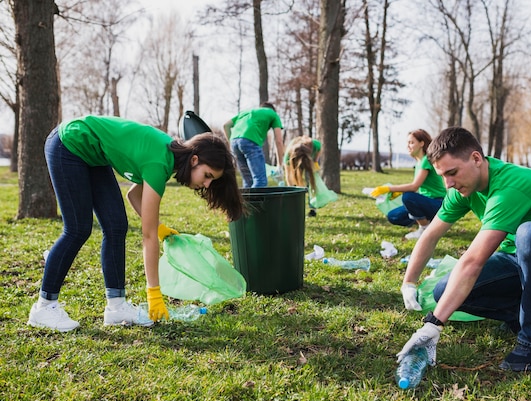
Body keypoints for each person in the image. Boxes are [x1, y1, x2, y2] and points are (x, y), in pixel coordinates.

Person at [396, 126, 531, 371]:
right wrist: (409, 282)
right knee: (443, 291)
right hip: (518, 258)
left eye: (452, 172)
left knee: (530, 232)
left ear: (476, 158)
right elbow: (430, 235)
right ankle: (520, 314)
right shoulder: (461, 188)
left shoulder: (511, 185)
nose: (448, 184)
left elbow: (474, 261)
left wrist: (434, 323)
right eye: (442, 176)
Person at [28, 115, 243, 331]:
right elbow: (147, 237)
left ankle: (116, 306)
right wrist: (154, 293)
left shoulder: (169, 159)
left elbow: (134, 195)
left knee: (116, 226)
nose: (205, 184)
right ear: (194, 160)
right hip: (69, 143)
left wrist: (158, 228)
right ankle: (44, 307)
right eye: (207, 176)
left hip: (94, 155)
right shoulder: (159, 162)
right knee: (77, 229)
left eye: (211, 181)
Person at [370, 129, 446, 239]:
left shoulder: (426, 160)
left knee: (408, 197)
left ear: (421, 143)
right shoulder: (419, 162)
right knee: (393, 216)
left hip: (437, 203)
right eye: (407, 143)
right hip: (426, 202)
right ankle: (429, 222)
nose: (408, 146)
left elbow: (414, 186)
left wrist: (389, 188)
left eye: (411, 142)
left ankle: (424, 229)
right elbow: (417, 189)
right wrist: (398, 192)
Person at [224, 102, 285, 188]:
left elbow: (226, 125)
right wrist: (280, 165)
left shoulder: (245, 112)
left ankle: (246, 202)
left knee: (248, 182)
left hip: (234, 142)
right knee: (261, 181)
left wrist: (232, 143)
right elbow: (279, 141)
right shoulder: (273, 114)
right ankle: (257, 202)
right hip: (250, 141)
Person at [283, 135, 322, 217]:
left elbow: (319, 150)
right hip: (296, 163)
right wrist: (291, 190)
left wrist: (315, 161)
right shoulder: (288, 155)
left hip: (309, 160)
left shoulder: (315, 144)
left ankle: (313, 208)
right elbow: (288, 175)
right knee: (296, 184)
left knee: (311, 183)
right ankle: (295, 207)